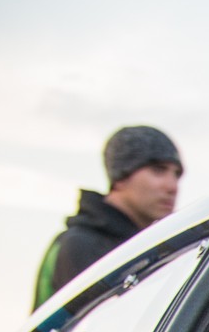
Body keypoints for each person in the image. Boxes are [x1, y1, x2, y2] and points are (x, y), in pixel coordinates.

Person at [32, 125, 181, 307]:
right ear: (120, 176)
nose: (172, 186)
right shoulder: (79, 245)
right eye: (158, 170)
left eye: (177, 175)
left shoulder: (150, 248)